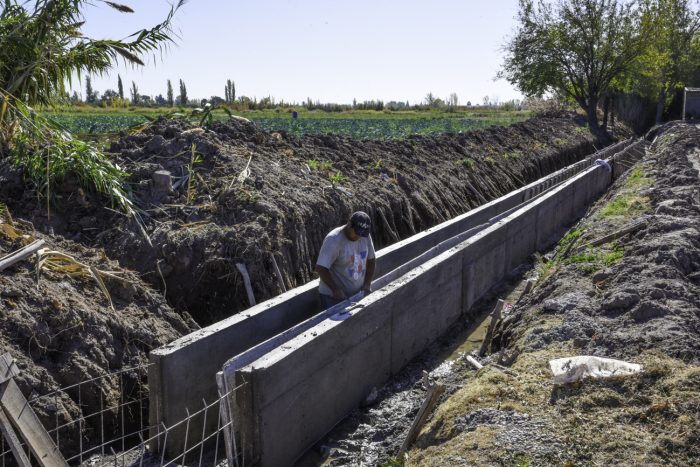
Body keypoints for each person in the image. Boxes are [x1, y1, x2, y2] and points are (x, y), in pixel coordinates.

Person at [315, 211, 376, 309]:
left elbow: (371, 260)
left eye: (362, 234)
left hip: (356, 293)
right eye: (356, 233)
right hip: (332, 297)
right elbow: (321, 268)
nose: (358, 236)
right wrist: (335, 290)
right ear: (349, 224)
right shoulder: (334, 240)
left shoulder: (365, 236)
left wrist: (367, 284)